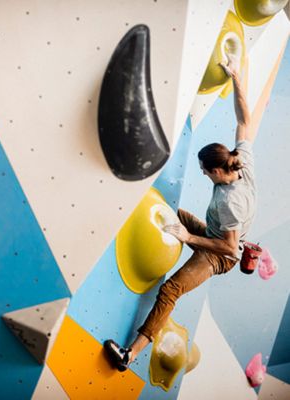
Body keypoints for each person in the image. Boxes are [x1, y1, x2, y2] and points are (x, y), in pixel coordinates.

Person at [104, 55, 256, 372]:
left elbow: (229, 249)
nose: (203, 174)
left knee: (171, 289)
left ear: (216, 170)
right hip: (216, 234)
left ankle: (128, 355)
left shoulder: (230, 202)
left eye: (205, 171)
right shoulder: (240, 159)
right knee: (174, 211)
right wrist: (236, 77)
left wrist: (189, 238)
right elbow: (245, 119)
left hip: (221, 255)